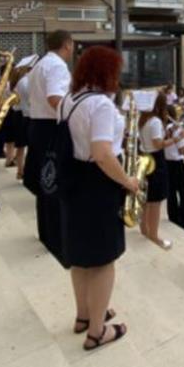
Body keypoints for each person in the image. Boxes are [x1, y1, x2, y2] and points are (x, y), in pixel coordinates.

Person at [59, 45, 132, 351]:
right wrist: (129, 181)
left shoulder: (69, 99)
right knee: (103, 259)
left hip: (74, 179)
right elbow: (102, 154)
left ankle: (84, 316)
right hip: (98, 183)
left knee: (81, 257)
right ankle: (98, 331)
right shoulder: (100, 105)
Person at [25, 31, 74, 262]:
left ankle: (46, 234)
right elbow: (56, 98)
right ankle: (57, 242)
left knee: (45, 184)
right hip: (50, 128)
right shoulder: (57, 66)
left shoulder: (40, 64)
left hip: (37, 125)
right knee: (54, 182)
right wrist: (75, 116)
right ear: (67, 44)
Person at [139, 92, 173, 249]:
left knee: (146, 197)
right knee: (156, 201)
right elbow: (158, 144)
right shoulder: (155, 122)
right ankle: (154, 235)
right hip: (155, 160)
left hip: (144, 157)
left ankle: (144, 229)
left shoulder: (143, 119)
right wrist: (176, 139)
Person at [164, 106, 184, 233]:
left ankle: (172, 217)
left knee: (171, 192)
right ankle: (183, 221)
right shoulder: (177, 130)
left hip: (167, 164)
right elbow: (182, 150)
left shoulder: (164, 128)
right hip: (177, 164)